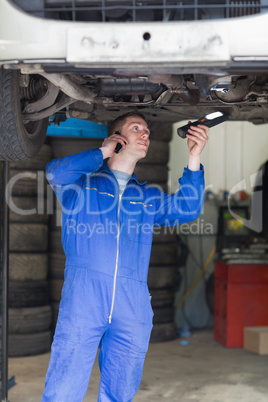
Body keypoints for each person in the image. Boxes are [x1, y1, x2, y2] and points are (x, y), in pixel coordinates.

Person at [42, 111, 209, 401]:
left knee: (120, 393)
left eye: (147, 130)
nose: (145, 134)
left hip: (132, 306)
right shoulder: (81, 186)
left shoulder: (146, 198)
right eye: (136, 128)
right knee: (63, 390)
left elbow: (188, 208)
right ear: (118, 137)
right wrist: (101, 152)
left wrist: (194, 158)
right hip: (84, 300)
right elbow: (55, 172)